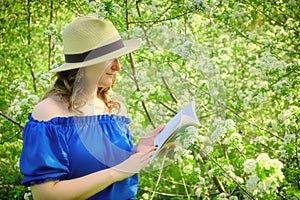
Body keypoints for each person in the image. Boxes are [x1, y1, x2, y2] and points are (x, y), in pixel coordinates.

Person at [19, 16, 165, 200]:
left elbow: (106, 168)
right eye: (110, 59)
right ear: (84, 66)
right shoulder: (49, 113)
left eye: (118, 58)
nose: (118, 66)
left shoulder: (112, 107)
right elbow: (45, 195)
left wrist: (138, 152)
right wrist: (118, 171)